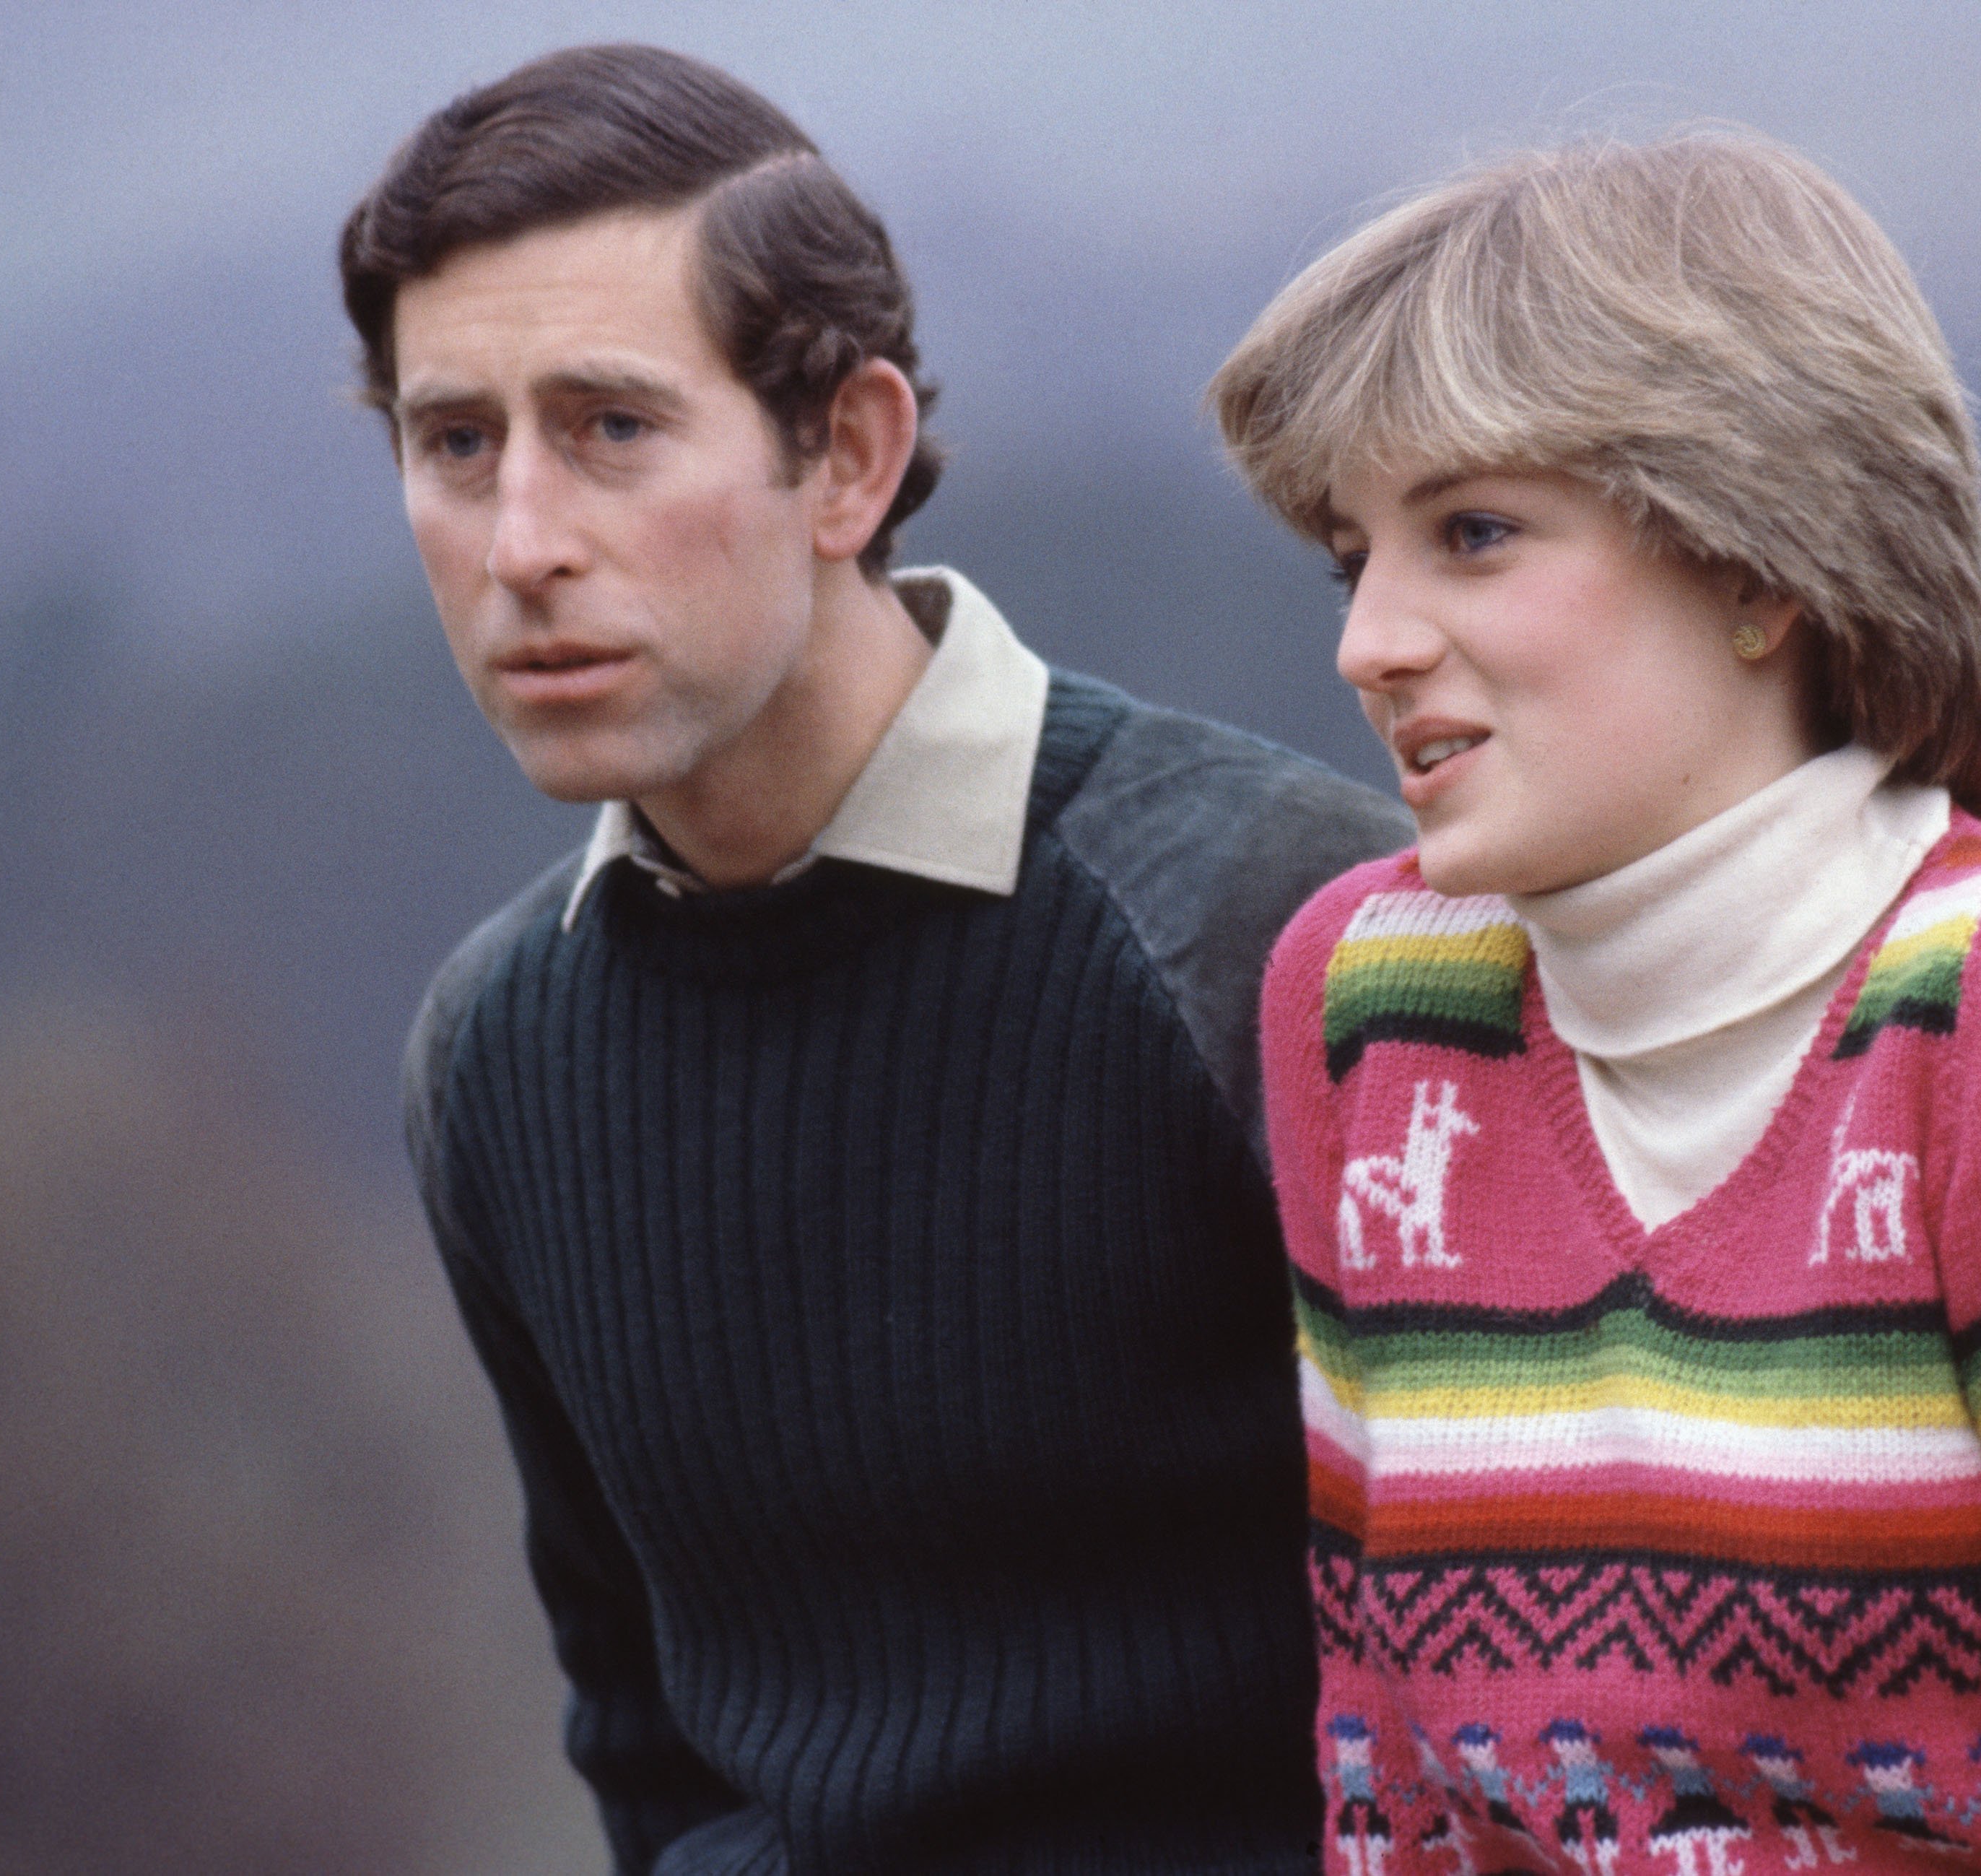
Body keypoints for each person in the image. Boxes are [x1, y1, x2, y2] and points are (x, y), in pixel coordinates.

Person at [1209, 134, 1981, 1871]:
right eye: (1346, 557)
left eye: (1470, 533)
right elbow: (1384, 1782)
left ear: (1754, 562)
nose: (1368, 640)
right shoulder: (1367, 1003)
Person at [347, 43, 1407, 1873]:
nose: (519, 543)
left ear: (847, 456)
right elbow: (644, 1729)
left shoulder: (1272, 925)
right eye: (456, 443)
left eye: (609, 426)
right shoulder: (498, 1055)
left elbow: (1534, 1668)